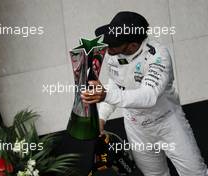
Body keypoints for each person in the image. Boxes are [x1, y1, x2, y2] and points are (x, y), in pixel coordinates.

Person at [81, 11, 208, 176]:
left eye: (113, 44)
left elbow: (149, 96)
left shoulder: (158, 55)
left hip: (168, 122)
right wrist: (101, 117)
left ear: (133, 45)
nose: (107, 47)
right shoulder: (114, 56)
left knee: (195, 173)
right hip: (136, 128)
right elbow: (116, 85)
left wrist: (106, 95)